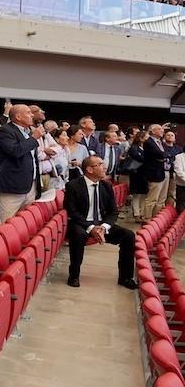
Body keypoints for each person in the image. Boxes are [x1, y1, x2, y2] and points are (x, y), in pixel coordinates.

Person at [64, 156, 137, 290]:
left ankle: (126, 277)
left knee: (128, 235)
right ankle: (73, 275)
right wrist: (91, 228)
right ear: (90, 169)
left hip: (102, 224)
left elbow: (113, 212)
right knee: (78, 235)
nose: (104, 167)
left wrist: (103, 227)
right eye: (100, 164)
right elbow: (72, 212)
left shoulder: (106, 186)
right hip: (82, 223)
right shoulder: (73, 185)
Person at [0, 104, 43, 221]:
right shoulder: (5, 130)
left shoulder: (27, 131)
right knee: (8, 225)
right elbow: (15, 151)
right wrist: (33, 138)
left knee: (26, 225)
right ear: (18, 117)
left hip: (30, 186)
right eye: (28, 112)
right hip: (12, 187)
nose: (32, 115)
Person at [142, 124, 168, 219]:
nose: (162, 131)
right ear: (153, 131)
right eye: (160, 129)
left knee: (160, 199)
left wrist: (165, 155)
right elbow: (160, 154)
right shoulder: (149, 142)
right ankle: (146, 218)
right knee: (152, 198)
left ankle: (155, 218)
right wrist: (165, 155)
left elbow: (164, 154)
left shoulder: (160, 142)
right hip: (153, 173)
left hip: (160, 172)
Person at [124, 129, 148, 222]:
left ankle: (142, 213)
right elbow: (139, 158)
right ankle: (136, 214)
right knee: (136, 195)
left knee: (144, 194)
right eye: (146, 137)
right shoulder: (133, 147)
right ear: (141, 138)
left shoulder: (147, 148)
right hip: (136, 173)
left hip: (145, 174)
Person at [162, 129, 181, 208]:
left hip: (174, 172)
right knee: (162, 192)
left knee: (171, 193)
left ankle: (169, 209)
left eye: (172, 135)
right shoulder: (162, 147)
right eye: (168, 135)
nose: (170, 136)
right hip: (163, 172)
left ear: (175, 139)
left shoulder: (179, 149)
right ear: (164, 137)